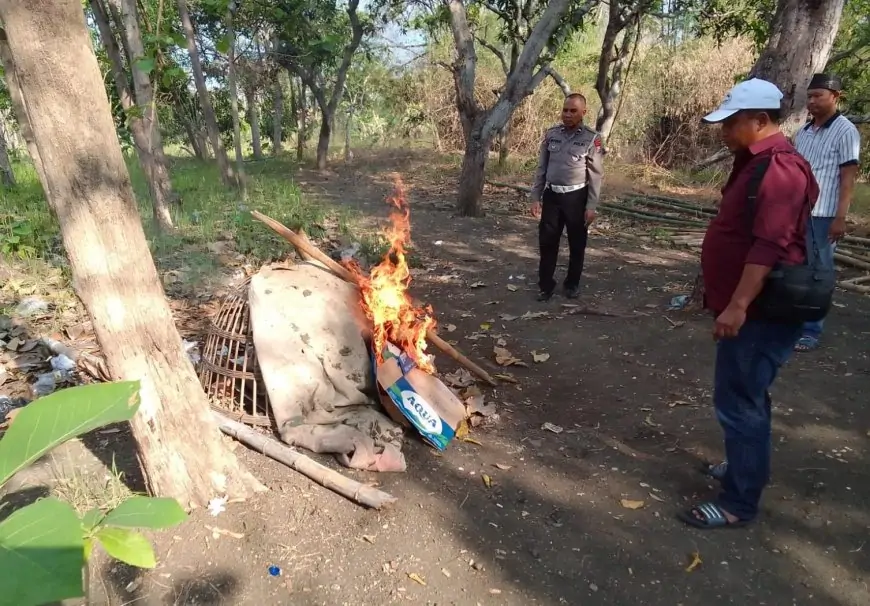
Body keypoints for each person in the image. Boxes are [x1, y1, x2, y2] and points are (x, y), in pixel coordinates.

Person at [679, 78, 820, 530]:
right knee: (745, 393)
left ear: (760, 120)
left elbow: (768, 244)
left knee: (739, 399)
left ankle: (738, 503)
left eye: (732, 123)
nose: (724, 132)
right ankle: (744, 466)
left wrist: (738, 305)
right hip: (750, 307)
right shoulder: (753, 162)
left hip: (761, 311)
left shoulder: (780, 168)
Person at [792, 74, 861, 352]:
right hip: (798, 213)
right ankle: (794, 322)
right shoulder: (804, 132)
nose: (812, 101)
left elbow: (848, 178)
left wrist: (840, 217)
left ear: (835, 96)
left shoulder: (845, 131)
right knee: (797, 270)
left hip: (824, 215)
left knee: (819, 273)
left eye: (818, 95)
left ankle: (811, 330)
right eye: (809, 96)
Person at [530, 93, 605, 301]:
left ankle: (572, 284)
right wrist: (535, 197)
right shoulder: (551, 134)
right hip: (552, 196)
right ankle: (546, 285)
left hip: (576, 198)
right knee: (547, 242)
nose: (568, 114)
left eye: (573, 111)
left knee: (577, 243)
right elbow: (542, 168)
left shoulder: (592, 138)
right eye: (565, 110)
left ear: (583, 112)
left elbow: (596, 175)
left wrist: (591, 206)